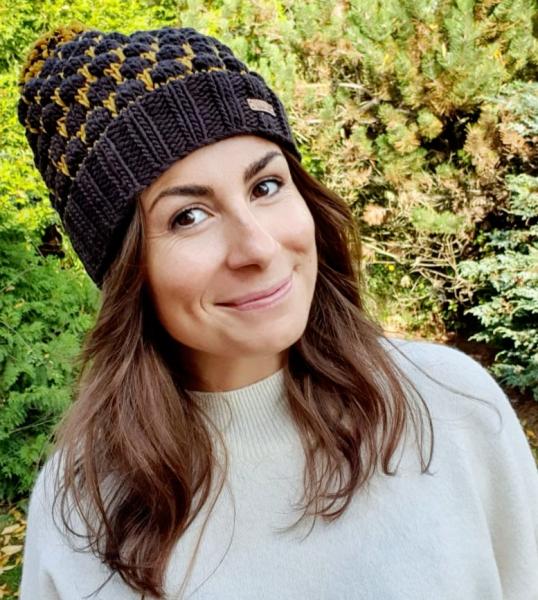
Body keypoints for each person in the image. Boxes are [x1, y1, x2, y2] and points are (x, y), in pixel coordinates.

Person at [17, 23, 538, 600]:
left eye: (265, 186)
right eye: (188, 216)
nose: (258, 248)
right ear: (125, 272)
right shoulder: (81, 510)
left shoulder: (452, 407)